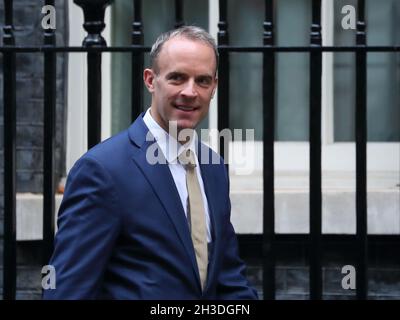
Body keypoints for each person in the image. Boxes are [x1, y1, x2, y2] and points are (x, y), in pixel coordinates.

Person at [43, 26, 258, 300]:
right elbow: (67, 291)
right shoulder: (102, 171)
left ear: (214, 87)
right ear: (150, 80)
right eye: (177, 78)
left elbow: (228, 279)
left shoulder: (213, 167)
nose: (190, 92)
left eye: (202, 81)